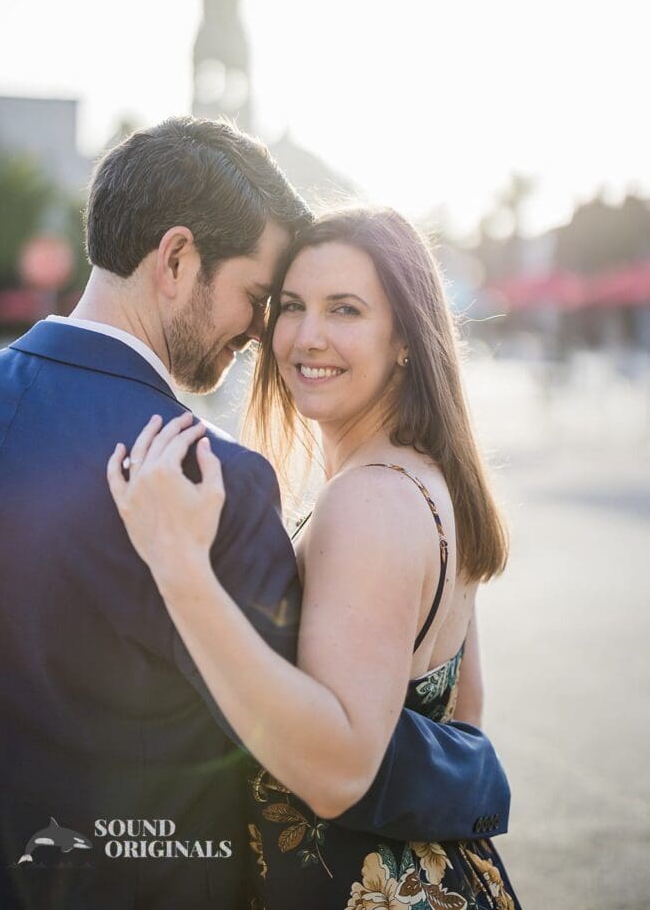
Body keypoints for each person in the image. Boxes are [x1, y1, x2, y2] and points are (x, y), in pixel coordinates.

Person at [0, 118, 508, 910]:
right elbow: (300, 753)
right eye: (267, 298)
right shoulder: (214, 479)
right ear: (178, 258)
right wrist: (474, 773)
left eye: (342, 308)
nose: (269, 332)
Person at [108, 206, 522, 909]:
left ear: (404, 341)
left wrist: (179, 567)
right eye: (290, 306)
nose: (305, 336)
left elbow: (335, 776)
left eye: (346, 309)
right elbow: (463, 717)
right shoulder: (426, 479)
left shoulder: (367, 502)